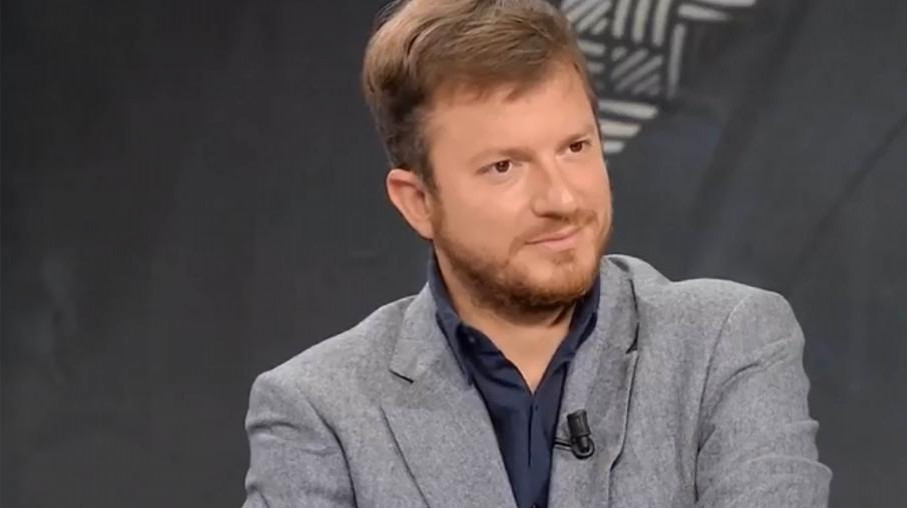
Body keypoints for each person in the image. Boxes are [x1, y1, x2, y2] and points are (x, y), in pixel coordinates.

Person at [241, 0, 831, 506]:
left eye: (575, 147)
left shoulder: (726, 343)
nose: (562, 198)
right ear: (418, 201)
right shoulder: (319, 410)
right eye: (504, 166)